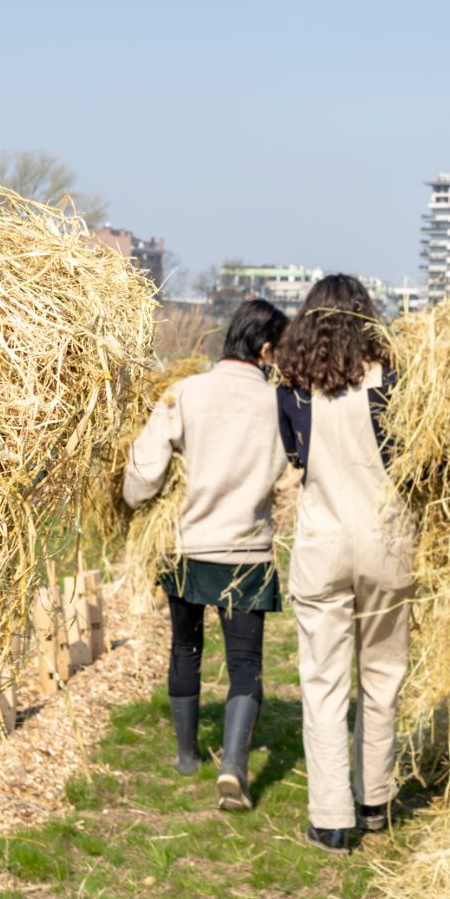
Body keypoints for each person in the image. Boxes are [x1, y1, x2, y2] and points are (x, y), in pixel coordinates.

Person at [123, 298, 290, 811]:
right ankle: (235, 768)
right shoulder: (279, 404)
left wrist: (132, 498)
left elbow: (146, 471)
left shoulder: (185, 393)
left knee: (185, 648)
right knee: (244, 664)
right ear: (265, 349)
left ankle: (186, 757)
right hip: (247, 552)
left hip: (188, 547)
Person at [274, 275, 413, 853]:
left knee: (324, 683)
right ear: (367, 320)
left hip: (323, 543)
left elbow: (294, 456)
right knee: (382, 677)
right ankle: (375, 800)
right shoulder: (395, 380)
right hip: (387, 543)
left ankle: (331, 818)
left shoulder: (293, 387)